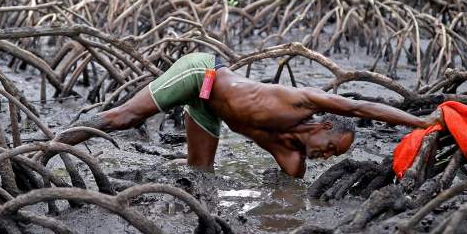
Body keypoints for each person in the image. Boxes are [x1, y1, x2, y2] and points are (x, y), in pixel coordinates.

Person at [52, 52, 441, 178]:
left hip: (207, 108)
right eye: (331, 146)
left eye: (333, 157)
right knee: (123, 119)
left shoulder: (291, 157)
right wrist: (420, 123)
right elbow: (361, 106)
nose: (327, 155)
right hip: (203, 73)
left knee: (201, 177)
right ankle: (47, 150)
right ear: (324, 124)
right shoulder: (302, 101)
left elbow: (291, 184)